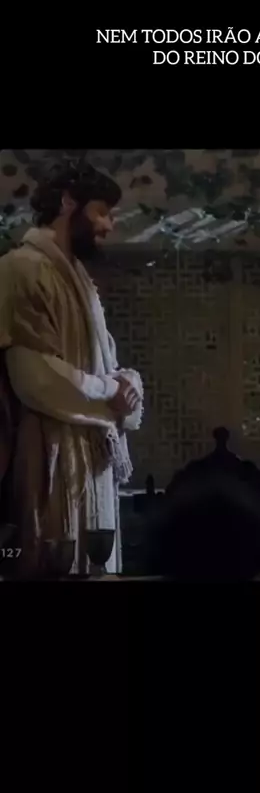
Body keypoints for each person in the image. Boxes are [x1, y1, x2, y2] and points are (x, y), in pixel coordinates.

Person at [0, 162, 143, 577]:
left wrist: (128, 385)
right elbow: (32, 375)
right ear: (67, 203)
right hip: (50, 449)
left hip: (95, 452)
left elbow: (108, 362)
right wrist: (109, 391)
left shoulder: (80, 280)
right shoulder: (20, 269)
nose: (109, 225)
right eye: (101, 212)